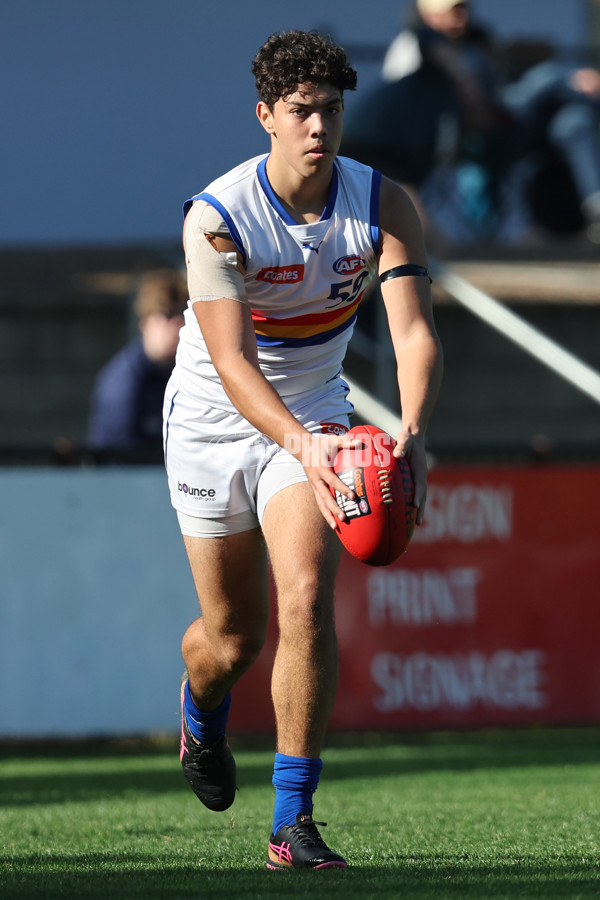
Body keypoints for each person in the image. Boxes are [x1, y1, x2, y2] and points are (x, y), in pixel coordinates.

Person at [163, 29, 443, 870]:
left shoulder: (384, 203)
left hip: (318, 412)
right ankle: (201, 711)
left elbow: (414, 332)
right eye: (301, 112)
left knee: (308, 592)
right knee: (232, 639)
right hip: (216, 420)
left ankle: (293, 820)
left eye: (331, 109)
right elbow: (232, 361)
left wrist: (415, 433)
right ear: (266, 118)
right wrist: (295, 440)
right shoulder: (217, 218)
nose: (319, 126)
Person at [343, 0, 600, 244]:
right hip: (439, 139)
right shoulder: (419, 41)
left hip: (497, 126)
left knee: (574, 123)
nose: (461, 16)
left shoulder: (479, 41)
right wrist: (466, 83)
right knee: (550, 78)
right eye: (452, 10)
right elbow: (439, 73)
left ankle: (594, 207)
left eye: (464, 8)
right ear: (429, 14)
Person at [87, 269, 187, 460]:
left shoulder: (186, 371)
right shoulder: (121, 381)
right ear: (144, 322)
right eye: (168, 315)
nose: (178, 323)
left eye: (183, 313)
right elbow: (119, 461)